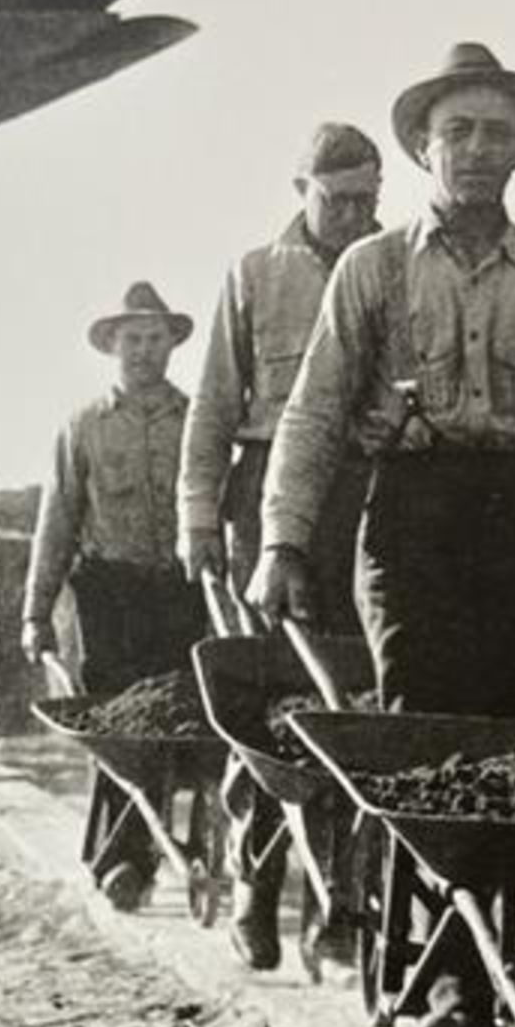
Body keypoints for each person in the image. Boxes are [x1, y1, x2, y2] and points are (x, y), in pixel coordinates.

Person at [251, 42, 515, 1027]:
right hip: (414, 521)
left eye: (497, 132)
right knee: (429, 747)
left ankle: (472, 979)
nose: (477, 150)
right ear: (422, 145)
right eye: (457, 131)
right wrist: (282, 542)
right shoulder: (373, 271)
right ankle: (455, 994)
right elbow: (318, 413)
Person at [177, 123, 380, 970]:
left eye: (368, 200)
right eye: (338, 200)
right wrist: (197, 518)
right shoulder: (254, 276)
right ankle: (257, 886)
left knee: (358, 702)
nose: (353, 216)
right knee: (274, 706)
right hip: (265, 498)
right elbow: (217, 405)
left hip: (366, 493)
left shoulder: (392, 266)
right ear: (300, 189)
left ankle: (348, 905)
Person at [21, 281, 207, 908]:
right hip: (109, 595)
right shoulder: (83, 428)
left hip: (180, 593)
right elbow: (57, 523)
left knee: (172, 724)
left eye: (155, 339)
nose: (144, 351)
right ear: (112, 346)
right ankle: (124, 860)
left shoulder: (197, 422)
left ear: (171, 346)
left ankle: (139, 853)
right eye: (133, 339)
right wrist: (36, 613)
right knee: (119, 725)